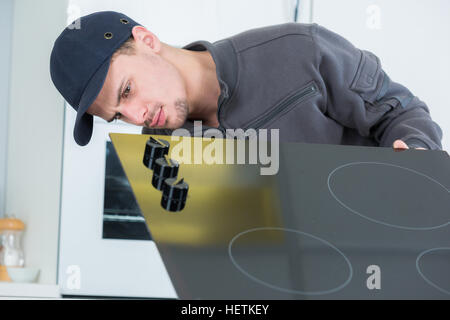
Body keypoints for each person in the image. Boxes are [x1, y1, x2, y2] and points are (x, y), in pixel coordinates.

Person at [50, 11, 443, 151]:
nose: (137, 117)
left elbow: (400, 112)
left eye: (127, 91)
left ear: (147, 41)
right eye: (117, 115)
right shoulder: (162, 148)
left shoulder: (297, 49)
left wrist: (417, 153)